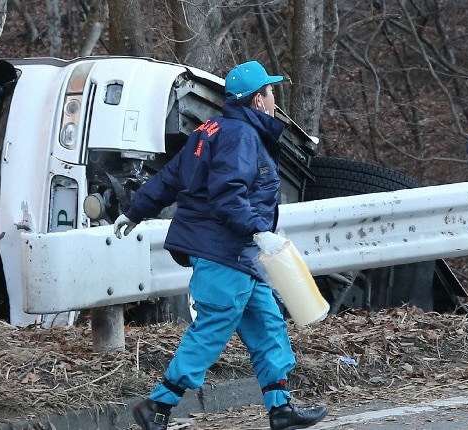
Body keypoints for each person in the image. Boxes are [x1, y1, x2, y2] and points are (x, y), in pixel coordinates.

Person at [114, 60, 328, 430]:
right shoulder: (241, 136)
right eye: (270, 91)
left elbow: (169, 177)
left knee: (268, 326)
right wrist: (257, 230)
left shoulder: (209, 130)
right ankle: (158, 406)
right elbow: (229, 194)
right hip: (224, 250)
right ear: (257, 99)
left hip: (238, 253)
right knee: (213, 326)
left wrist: (135, 211)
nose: (274, 97)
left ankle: (281, 409)